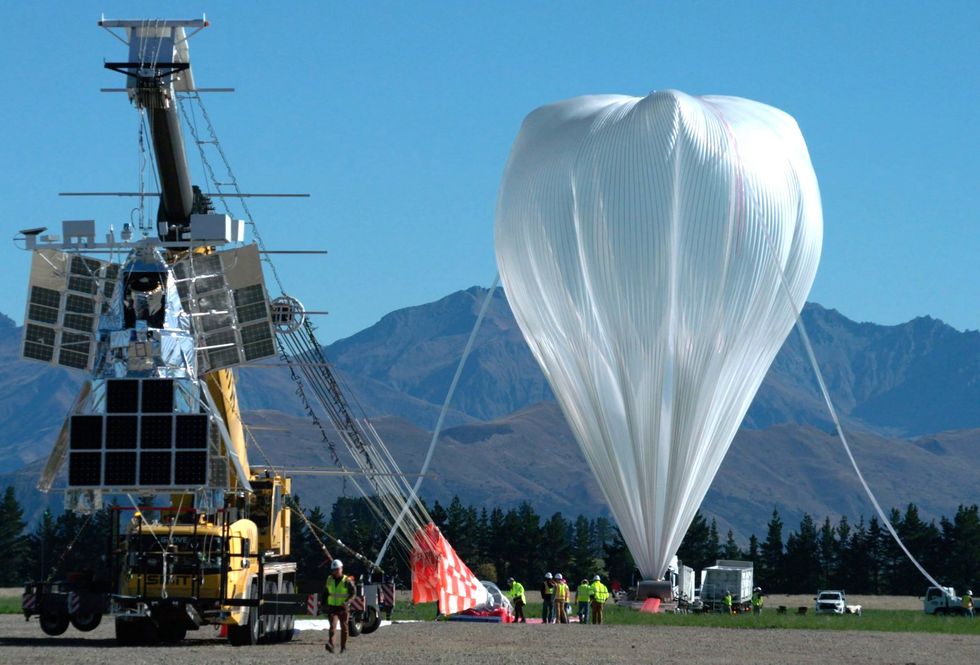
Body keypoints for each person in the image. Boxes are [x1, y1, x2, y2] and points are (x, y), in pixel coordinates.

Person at [323, 559, 355, 653]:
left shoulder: (347, 581)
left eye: (337, 569)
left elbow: (353, 593)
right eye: (334, 570)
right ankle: (331, 645)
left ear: (341, 569)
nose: (335, 571)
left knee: (344, 628)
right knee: (332, 627)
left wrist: (348, 602)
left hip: (343, 608)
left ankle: (343, 647)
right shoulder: (329, 579)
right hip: (332, 607)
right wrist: (323, 605)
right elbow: (325, 593)